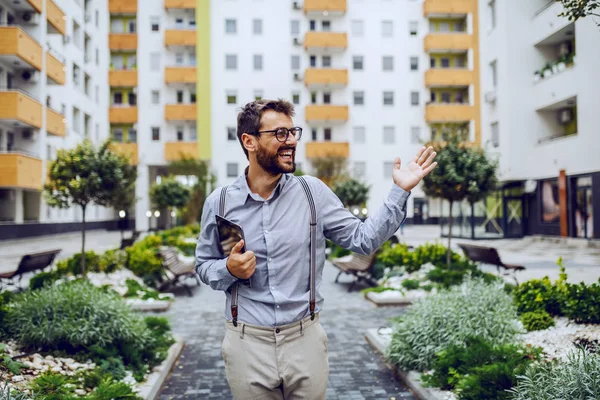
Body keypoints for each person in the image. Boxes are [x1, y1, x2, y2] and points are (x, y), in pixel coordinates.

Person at [195, 99, 437, 399]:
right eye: (280, 134)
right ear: (250, 141)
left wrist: (400, 191)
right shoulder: (219, 203)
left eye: (294, 132)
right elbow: (204, 265)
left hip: (304, 340)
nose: (292, 141)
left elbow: (363, 239)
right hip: (246, 344)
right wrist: (227, 269)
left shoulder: (312, 194)